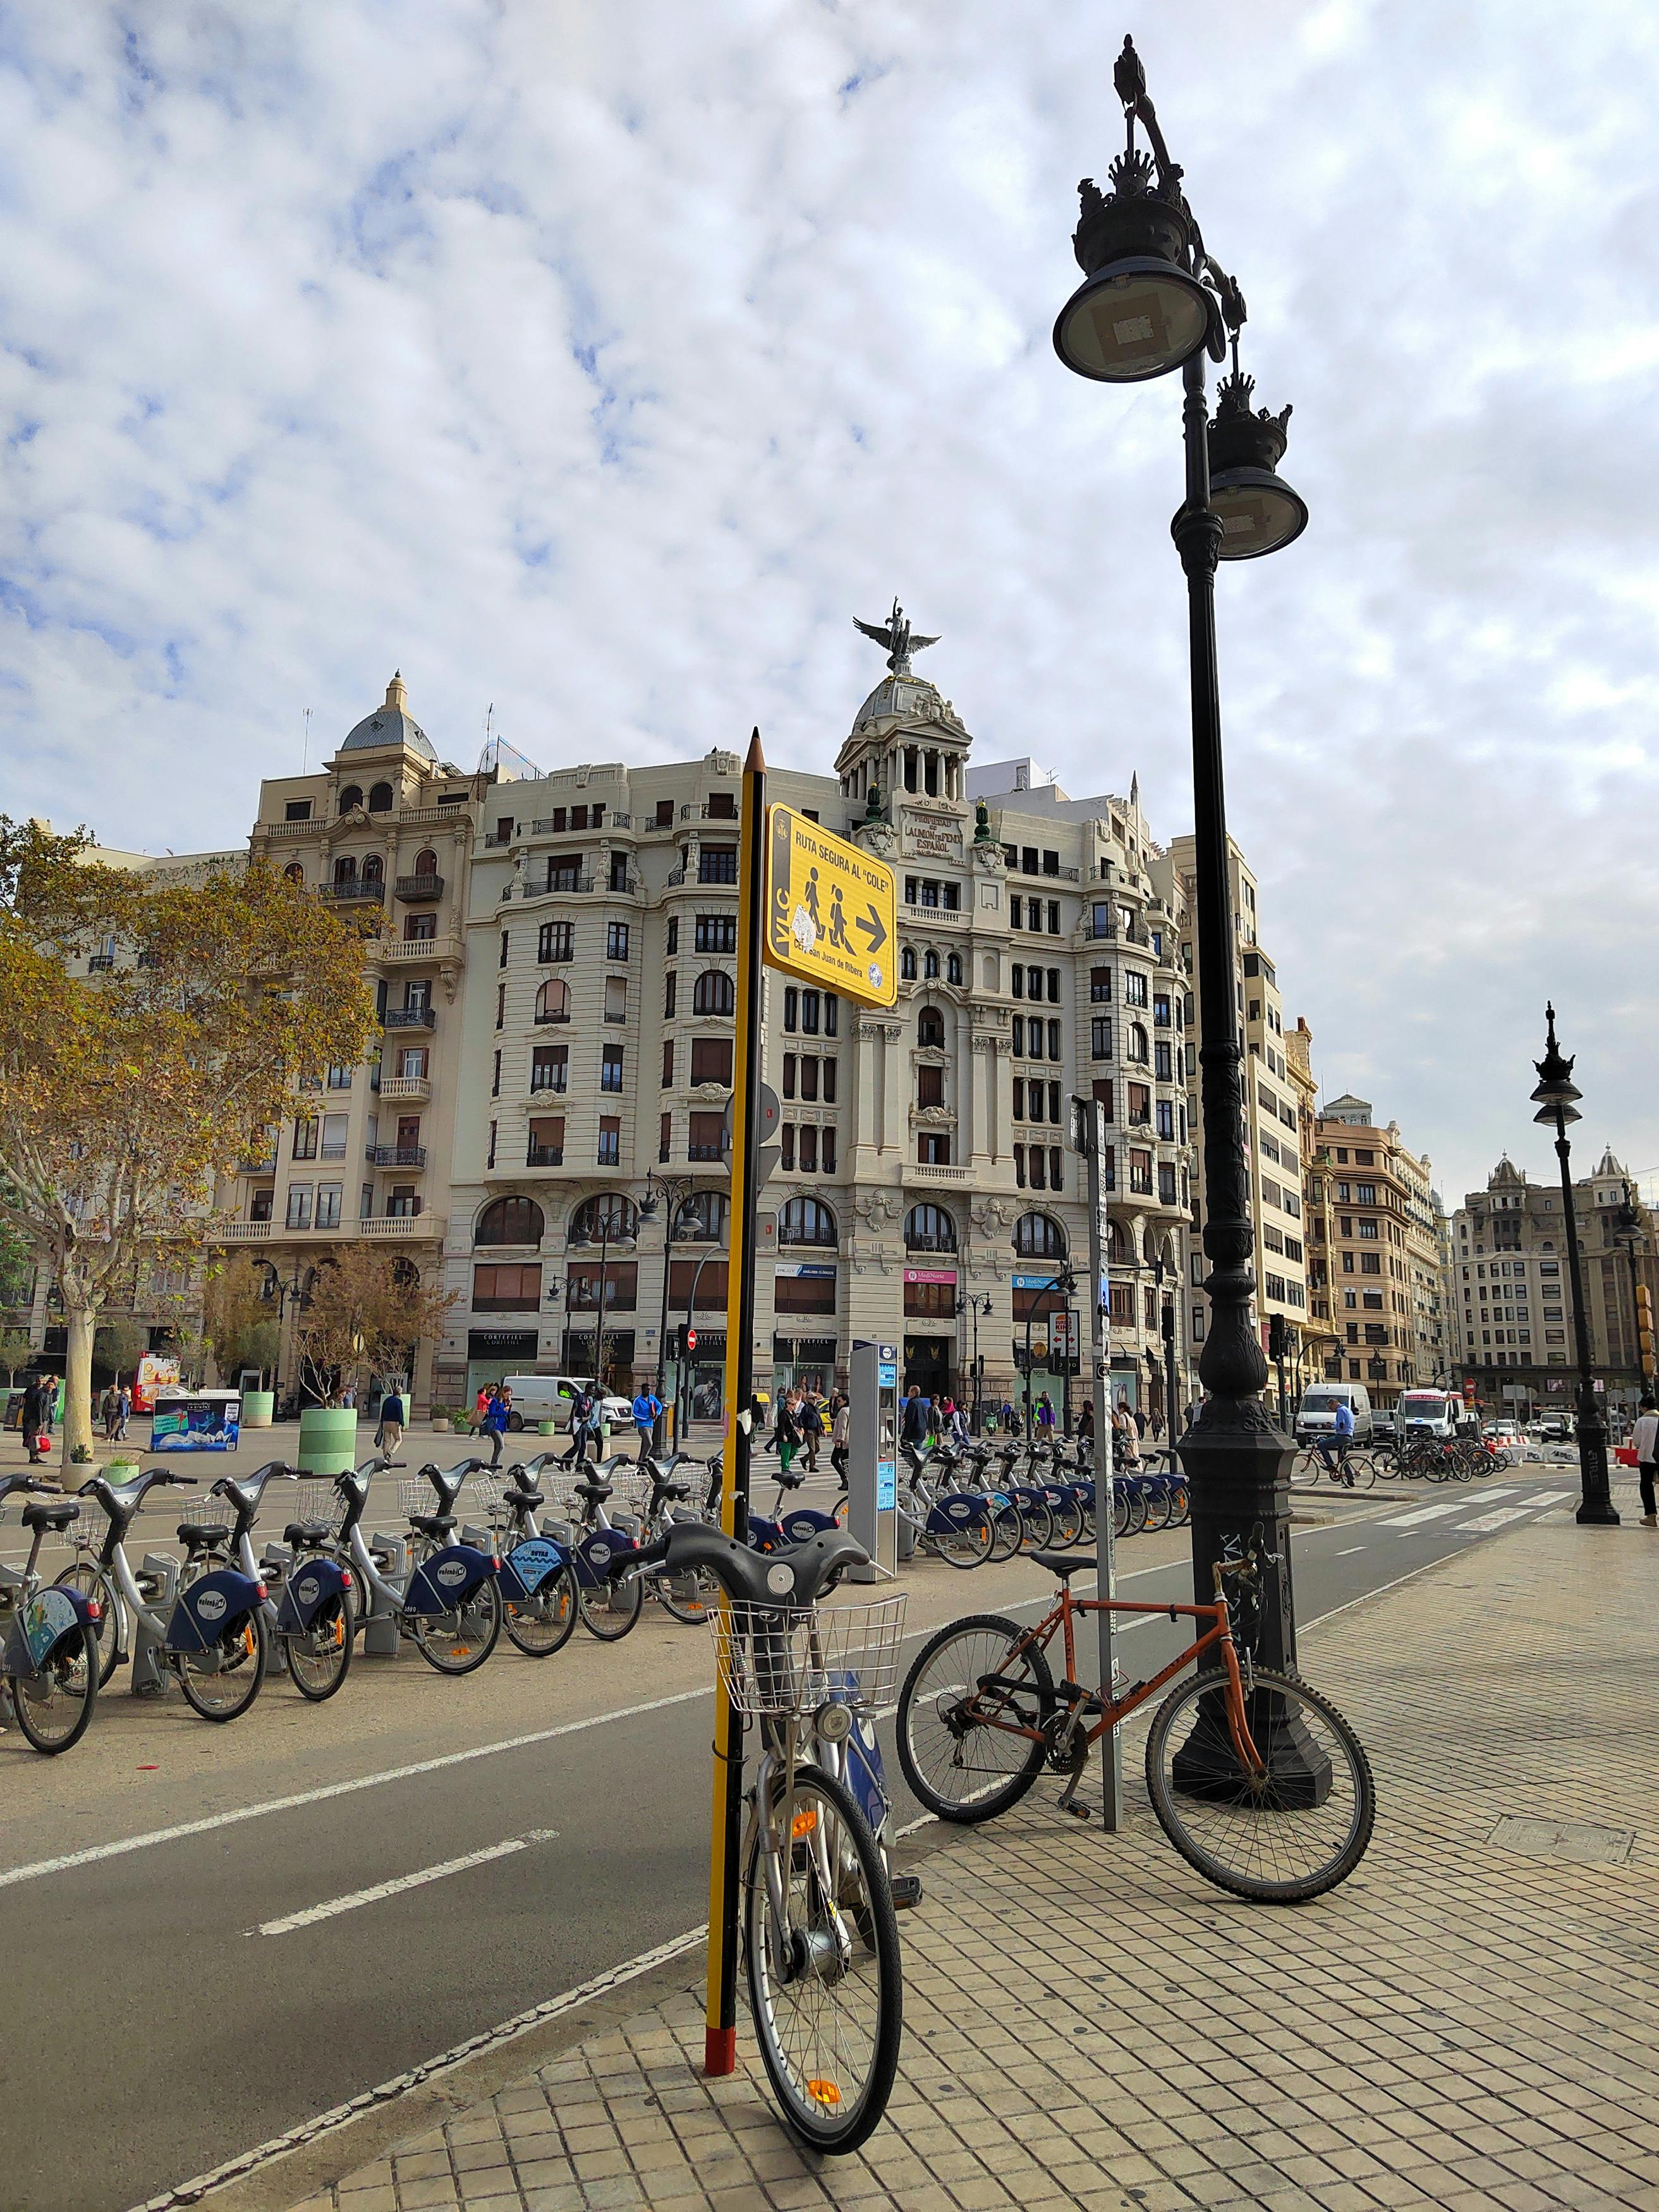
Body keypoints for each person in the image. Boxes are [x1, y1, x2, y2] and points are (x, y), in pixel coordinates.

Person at [1634, 1395, 1659, 1528]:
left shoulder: (1642, 1421)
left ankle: (1651, 1516)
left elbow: (1637, 1441)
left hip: (1647, 1458)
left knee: (1646, 1485)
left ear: (1644, 1408)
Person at [1318, 1396, 1355, 1481]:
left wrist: (1330, 1426)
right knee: (1342, 1458)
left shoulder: (1340, 1410)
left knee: (1321, 1445)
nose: (1330, 1409)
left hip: (1342, 1437)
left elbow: (1341, 1426)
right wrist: (1333, 1424)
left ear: (1334, 1404)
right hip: (1349, 1436)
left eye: (1330, 1407)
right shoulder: (1347, 1409)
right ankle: (1350, 1479)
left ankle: (1330, 1465)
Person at [562, 1383, 599, 1467]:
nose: (593, 1392)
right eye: (592, 1390)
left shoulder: (589, 1400)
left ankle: (579, 1465)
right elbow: (573, 1411)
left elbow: (589, 1415)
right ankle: (564, 1460)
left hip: (584, 1425)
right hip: (577, 1423)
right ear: (587, 1389)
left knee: (583, 1447)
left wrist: (585, 1419)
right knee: (577, 1445)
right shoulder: (580, 1397)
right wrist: (571, 1426)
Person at [20, 1371, 51, 1466]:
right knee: (33, 1438)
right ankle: (32, 1457)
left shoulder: (45, 1391)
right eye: (38, 1380)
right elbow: (24, 1400)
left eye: (41, 1380)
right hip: (32, 1417)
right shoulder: (30, 1389)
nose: (39, 1382)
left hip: (43, 1417)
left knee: (40, 1438)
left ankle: (38, 1456)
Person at [478, 1383, 509, 1468]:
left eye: (510, 1395)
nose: (509, 1396)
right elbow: (492, 1413)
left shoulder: (506, 1402)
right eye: (508, 1394)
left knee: (497, 1447)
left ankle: (493, 1468)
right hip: (495, 1426)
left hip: (502, 1426)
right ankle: (493, 1468)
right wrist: (503, 1411)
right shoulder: (495, 1401)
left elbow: (507, 1414)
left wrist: (508, 1409)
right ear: (503, 1392)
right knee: (501, 1446)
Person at [773, 1389, 802, 1478]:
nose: (794, 1406)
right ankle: (785, 1467)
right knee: (786, 1451)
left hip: (793, 1436)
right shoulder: (784, 1413)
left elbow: (796, 1422)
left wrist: (800, 1429)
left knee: (795, 1450)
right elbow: (781, 1425)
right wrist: (783, 1435)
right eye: (792, 1404)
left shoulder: (793, 1413)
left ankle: (785, 1463)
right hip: (786, 1436)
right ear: (787, 1405)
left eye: (794, 1404)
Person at [797, 1387, 825, 1473]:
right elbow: (801, 1419)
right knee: (812, 1449)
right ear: (808, 1399)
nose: (815, 1400)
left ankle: (804, 1459)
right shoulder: (806, 1408)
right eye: (813, 1398)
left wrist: (823, 1428)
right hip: (809, 1431)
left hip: (816, 1430)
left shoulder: (816, 1408)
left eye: (815, 1398)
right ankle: (812, 1467)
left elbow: (819, 1419)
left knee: (818, 1449)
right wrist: (802, 1428)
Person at [631, 1385, 662, 1460]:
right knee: (649, 1443)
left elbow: (659, 1406)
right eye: (647, 1390)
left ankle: (640, 1463)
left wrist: (657, 1413)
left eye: (649, 1390)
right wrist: (646, 1417)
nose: (648, 1392)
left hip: (651, 1425)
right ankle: (643, 1460)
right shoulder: (638, 1400)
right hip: (643, 1425)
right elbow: (634, 1413)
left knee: (644, 1444)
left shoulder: (652, 1398)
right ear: (642, 1390)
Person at [377, 1383, 406, 1457]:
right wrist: (402, 1424)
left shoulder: (387, 1400)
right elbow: (400, 1413)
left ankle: (385, 1456)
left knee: (387, 1441)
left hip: (385, 1422)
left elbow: (383, 1412)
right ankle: (391, 1452)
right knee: (398, 1439)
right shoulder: (398, 1402)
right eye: (401, 1392)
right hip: (394, 1423)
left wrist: (382, 1422)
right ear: (399, 1393)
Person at [829, 1393, 850, 1488]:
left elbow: (843, 1427)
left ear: (845, 1401)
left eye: (839, 1401)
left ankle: (845, 1479)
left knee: (834, 1460)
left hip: (843, 1441)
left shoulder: (843, 1411)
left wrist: (839, 1440)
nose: (838, 1403)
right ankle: (849, 1481)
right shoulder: (850, 1410)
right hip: (849, 1440)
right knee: (845, 1461)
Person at [900, 1385, 928, 1450]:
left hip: (913, 1433)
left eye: (909, 1391)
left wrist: (905, 1435)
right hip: (921, 1434)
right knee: (917, 1455)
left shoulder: (912, 1403)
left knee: (909, 1455)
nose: (908, 1393)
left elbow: (910, 1420)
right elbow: (926, 1418)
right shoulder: (922, 1403)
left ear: (913, 1393)